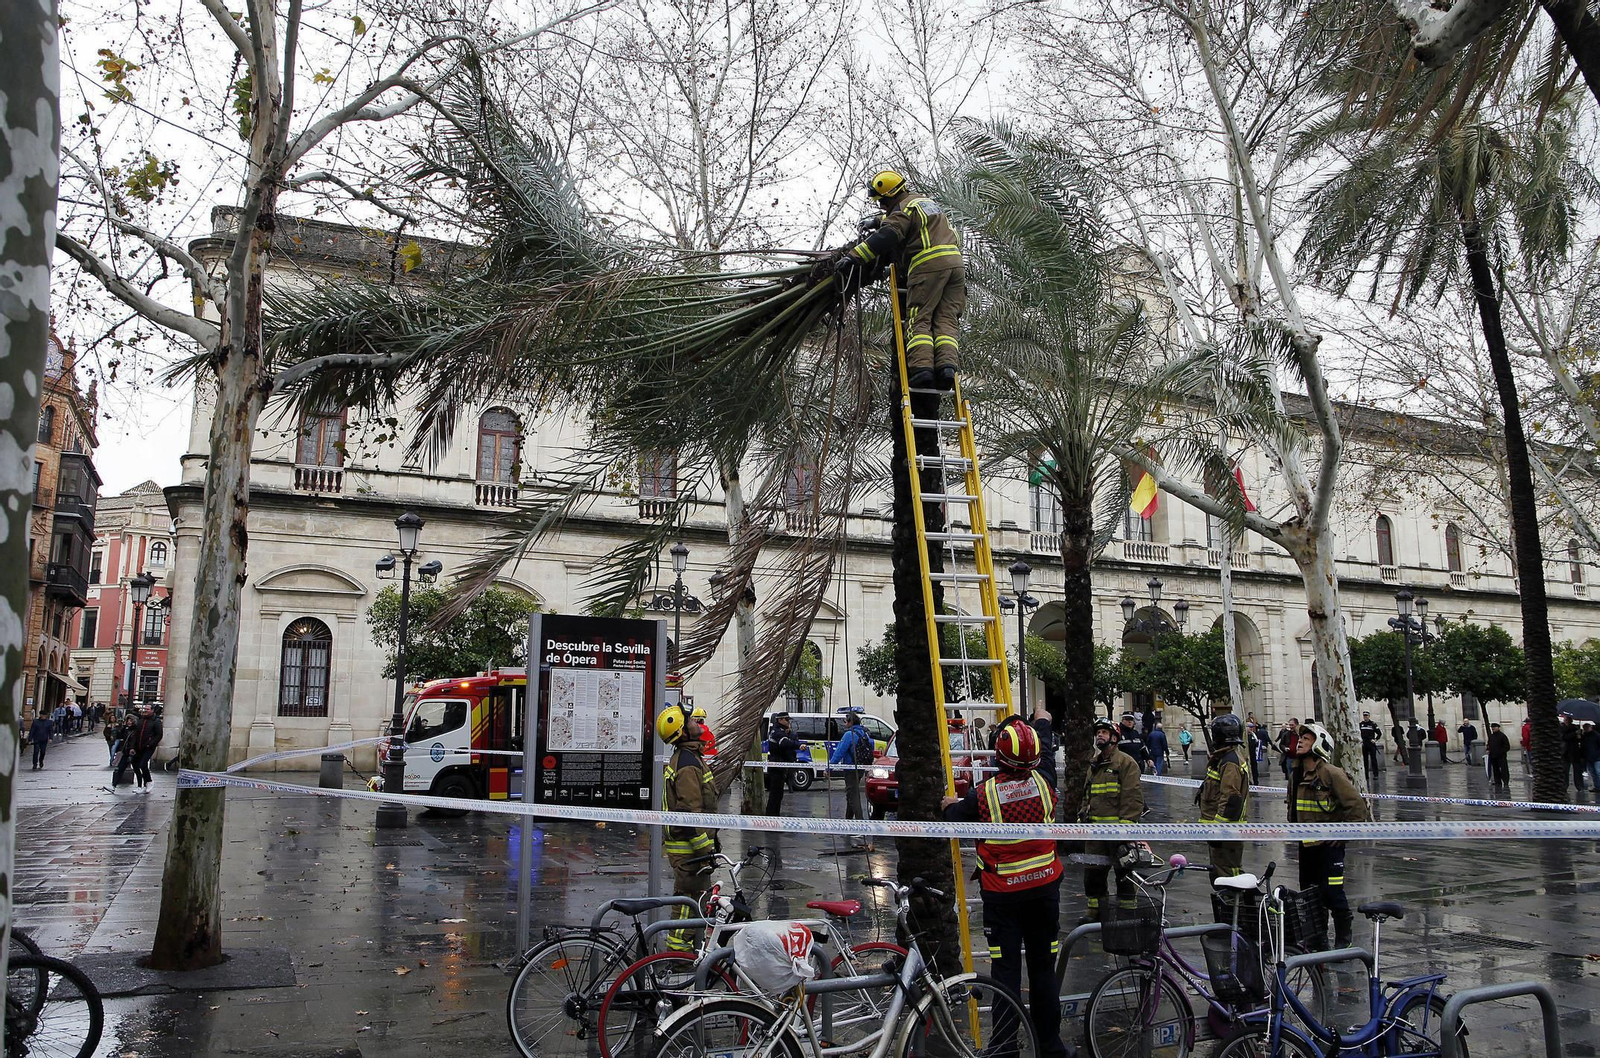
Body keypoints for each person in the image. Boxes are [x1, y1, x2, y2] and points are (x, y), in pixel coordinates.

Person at [941, 722, 1069, 1058]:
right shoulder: (1046, 783)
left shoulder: (984, 794)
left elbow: (955, 815)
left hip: (1003, 899)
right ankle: (1051, 1047)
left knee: (1005, 975)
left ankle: (1003, 1049)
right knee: (1044, 972)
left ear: (999, 757)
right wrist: (1041, 724)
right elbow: (1046, 757)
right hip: (1044, 893)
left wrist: (947, 803)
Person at [836, 171, 966, 391]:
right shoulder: (925, 203)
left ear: (889, 196)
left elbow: (889, 235)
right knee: (946, 320)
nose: (882, 207)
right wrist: (877, 221)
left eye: (882, 202)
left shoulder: (902, 209)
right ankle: (946, 369)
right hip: (956, 266)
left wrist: (853, 257)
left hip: (928, 266)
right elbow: (902, 217)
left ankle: (922, 369)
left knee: (919, 318)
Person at [1287, 722, 1371, 949]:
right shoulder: (1295, 773)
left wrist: (1342, 835)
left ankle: (1344, 939)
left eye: (1308, 737)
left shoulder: (1332, 774)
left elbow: (1357, 808)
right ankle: (1318, 940)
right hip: (1307, 846)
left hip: (1329, 848)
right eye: (1301, 737)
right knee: (1310, 895)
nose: (1301, 740)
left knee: (1332, 893)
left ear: (1320, 744)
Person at [659, 703, 717, 951]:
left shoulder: (690, 758)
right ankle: (677, 957)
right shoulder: (687, 764)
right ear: (683, 732)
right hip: (689, 851)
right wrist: (706, 851)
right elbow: (690, 813)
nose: (696, 722)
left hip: (690, 848)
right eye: (690, 721)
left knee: (695, 901)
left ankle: (690, 953)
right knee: (686, 904)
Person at [1080, 720, 1144, 922]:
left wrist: (1125, 830)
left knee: (1124, 873)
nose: (1099, 735)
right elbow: (1087, 794)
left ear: (1114, 738)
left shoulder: (1126, 763)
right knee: (1093, 874)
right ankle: (1095, 912)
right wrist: (1082, 815)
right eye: (1097, 732)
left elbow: (1132, 797)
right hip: (1095, 833)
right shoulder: (1094, 765)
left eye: (1104, 733)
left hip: (1118, 832)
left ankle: (1126, 913)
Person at [1197, 714, 1251, 879]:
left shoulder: (1229, 762)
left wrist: (1219, 830)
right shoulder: (1223, 758)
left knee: (1228, 873)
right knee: (1219, 872)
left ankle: (1235, 903)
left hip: (1225, 832)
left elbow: (1231, 799)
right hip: (1218, 829)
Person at [828, 713, 875, 851]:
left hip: (850, 768)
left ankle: (860, 826)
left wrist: (829, 767)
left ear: (850, 722)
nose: (845, 724)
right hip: (860, 768)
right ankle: (848, 822)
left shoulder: (849, 735)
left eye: (846, 721)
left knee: (853, 795)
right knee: (851, 793)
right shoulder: (864, 734)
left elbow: (839, 752)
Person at [765, 713, 799, 817]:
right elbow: (785, 744)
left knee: (779, 793)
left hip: (781, 765)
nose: (789, 722)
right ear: (780, 720)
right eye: (787, 720)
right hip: (776, 766)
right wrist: (798, 745)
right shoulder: (777, 732)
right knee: (775, 793)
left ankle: (775, 814)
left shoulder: (782, 732)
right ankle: (771, 815)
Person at [129, 704, 164, 790]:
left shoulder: (156, 721)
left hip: (148, 747)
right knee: (135, 763)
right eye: (145, 709)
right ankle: (141, 784)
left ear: (152, 710)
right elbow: (136, 734)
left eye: (147, 709)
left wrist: (151, 744)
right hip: (138, 746)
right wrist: (132, 747)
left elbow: (159, 735)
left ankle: (149, 781)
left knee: (143, 764)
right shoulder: (141, 720)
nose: (145, 710)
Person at [1562, 717, 1586, 793]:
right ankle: (1564, 786)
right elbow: (1564, 737)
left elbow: (1580, 740)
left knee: (1577, 771)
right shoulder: (1562, 728)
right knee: (1565, 770)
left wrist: (1580, 735)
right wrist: (1574, 733)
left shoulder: (1576, 728)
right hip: (1566, 752)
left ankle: (1579, 786)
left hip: (1575, 752)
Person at [1486, 722, 1512, 789]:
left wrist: (1501, 752)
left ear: (1498, 728)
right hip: (1493, 756)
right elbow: (1489, 744)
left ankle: (1505, 782)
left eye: (1494, 727)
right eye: (1492, 727)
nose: (1493, 729)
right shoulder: (1491, 736)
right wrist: (1488, 749)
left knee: (1504, 769)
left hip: (1501, 756)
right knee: (1495, 770)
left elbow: (1507, 746)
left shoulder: (1502, 736)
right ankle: (1498, 782)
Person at [1359, 712, 1382, 778]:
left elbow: (1379, 733)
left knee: (1373, 760)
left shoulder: (1373, 724)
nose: (1365, 717)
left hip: (1371, 744)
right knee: (1365, 760)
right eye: (1364, 716)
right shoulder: (1361, 724)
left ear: (1369, 716)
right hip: (1364, 744)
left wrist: (1375, 739)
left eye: (1366, 716)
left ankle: (1375, 774)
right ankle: (1366, 775)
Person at [1583, 722, 1600, 792]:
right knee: (1593, 773)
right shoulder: (1584, 736)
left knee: (1597, 772)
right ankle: (1597, 786)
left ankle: (1598, 786)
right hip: (1589, 757)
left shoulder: (1596, 735)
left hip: (1596, 757)